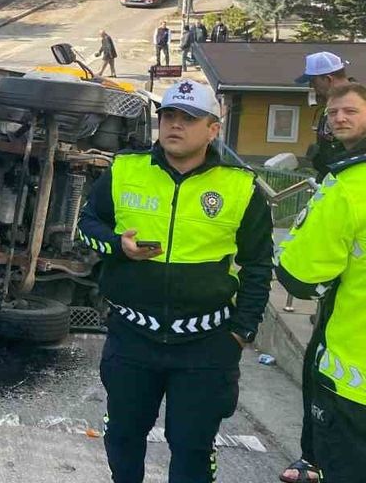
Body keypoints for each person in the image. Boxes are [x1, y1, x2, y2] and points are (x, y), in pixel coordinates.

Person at [78, 79, 273, 483]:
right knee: (123, 438)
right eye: (168, 116)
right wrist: (117, 245)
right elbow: (86, 224)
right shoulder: (125, 169)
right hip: (133, 336)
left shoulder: (240, 186)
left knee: (191, 449)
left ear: (213, 129)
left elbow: (258, 264)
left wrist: (242, 331)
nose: (175, 125)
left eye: (189, 118)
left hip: (206, 344)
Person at [275, 82, 366, 483]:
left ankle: (311, 460)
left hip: (353, 380)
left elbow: (299, 277)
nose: (339, 118)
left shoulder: (349, 185)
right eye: (333, 113)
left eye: (351, 111)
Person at [300, 52, 353, 180]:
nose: (312, 87)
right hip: (332, 182)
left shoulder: (357, 106)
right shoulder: (332, 106)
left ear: (328, 79)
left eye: (313, 81)